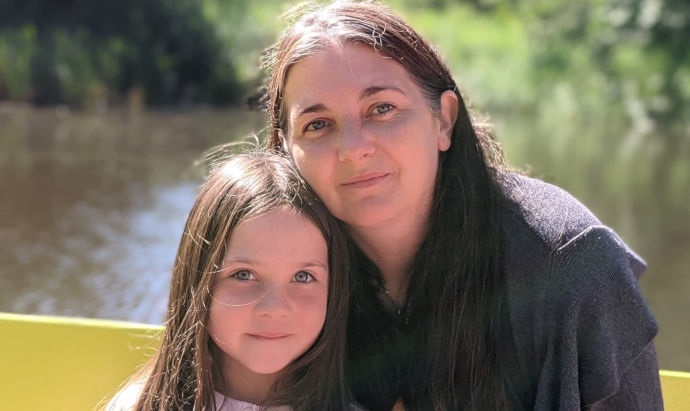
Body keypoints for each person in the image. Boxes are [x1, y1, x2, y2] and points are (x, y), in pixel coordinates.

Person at [260, 0, 663, 409]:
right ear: (285, 150)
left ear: (444, 120)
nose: (353, 148)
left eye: (382, 109)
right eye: (317, 125)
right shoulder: (262, 269)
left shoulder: (571, 262)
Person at [107, 150, 354, 410]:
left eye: (303, 277)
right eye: (244, 274)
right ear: (198, 282)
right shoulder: (139, 405)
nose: (275, 308)